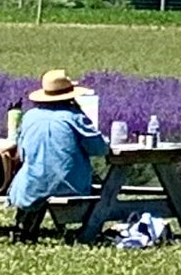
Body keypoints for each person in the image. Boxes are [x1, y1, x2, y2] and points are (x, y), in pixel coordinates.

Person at [8, 69, 110, 216]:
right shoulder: (74, 117)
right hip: (68, 186)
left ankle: (26, 225)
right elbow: (99, 149)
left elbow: (21, 151)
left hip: (29, 187)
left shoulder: (29, 117)